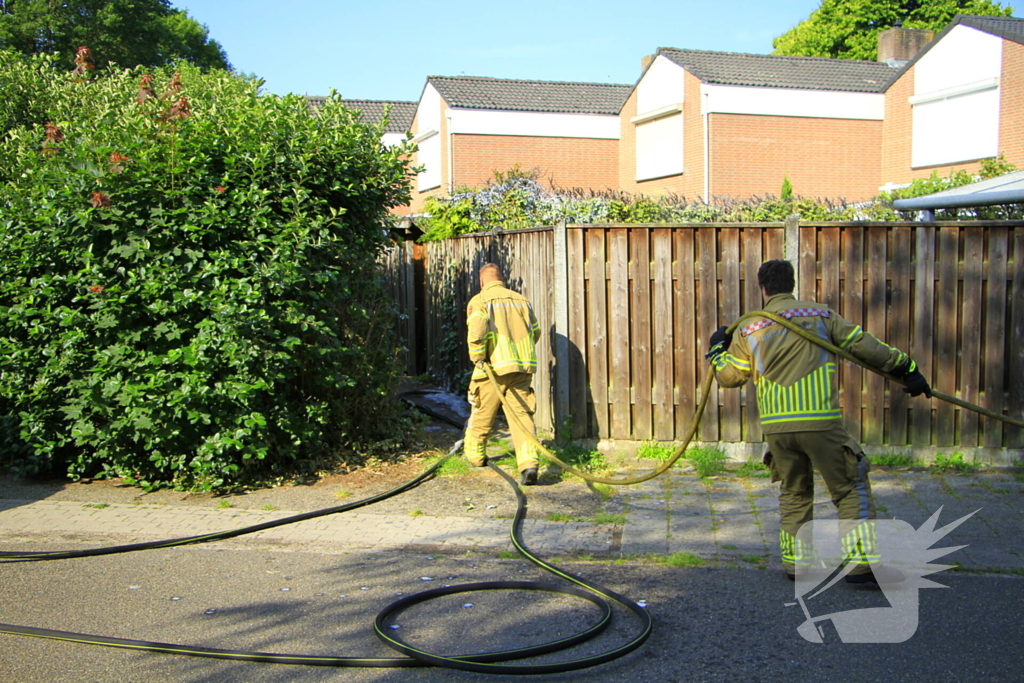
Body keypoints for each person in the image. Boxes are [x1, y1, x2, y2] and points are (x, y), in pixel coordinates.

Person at [707, 259, 931, 583]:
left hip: (777, 430)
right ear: (792, 284)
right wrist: (907, 369)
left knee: (794, 492)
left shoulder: (749, 326)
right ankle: (861, 565)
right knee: (850, 488)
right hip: (820, 423)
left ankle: (797, 567)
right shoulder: (820, 315)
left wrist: (717, 350)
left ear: (763, 288)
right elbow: (863, 345)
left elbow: (729, 377)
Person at [463, 263, 542, 485]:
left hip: (492, 369)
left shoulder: (480, 300)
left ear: (481, 282)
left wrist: (478, 358)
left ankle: (476, 456)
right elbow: (536, 332)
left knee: (482, 411)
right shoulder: (521, 300)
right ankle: (529, 464)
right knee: (522, 416)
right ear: (502, 280)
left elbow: (477, 332)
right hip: (522, 369)